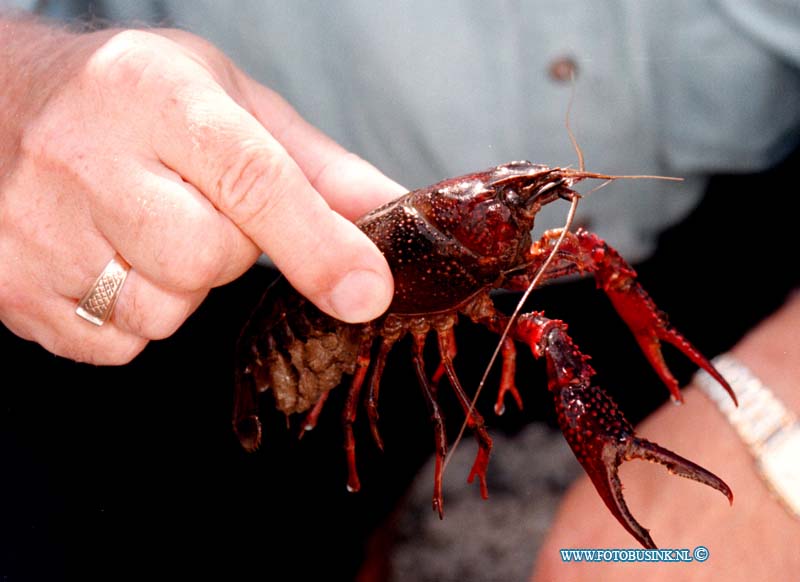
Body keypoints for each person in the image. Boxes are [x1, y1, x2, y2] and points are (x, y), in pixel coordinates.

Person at [1, 1, 798, 580]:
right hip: (209, 263)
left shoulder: (529, 248)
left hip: (722, 229)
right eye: (521, 192)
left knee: (581, 282)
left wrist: (778, 425)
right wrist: (17, 81)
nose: (538, 195)